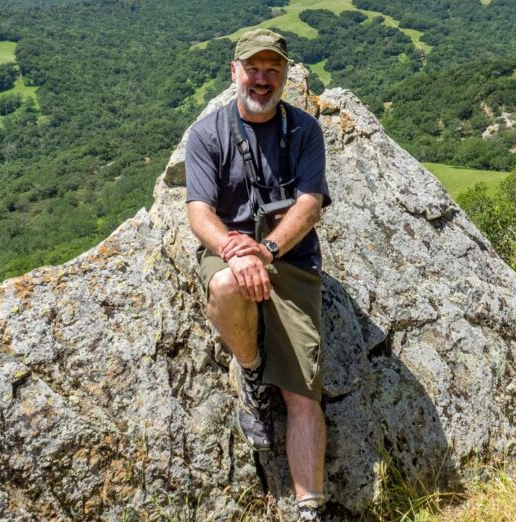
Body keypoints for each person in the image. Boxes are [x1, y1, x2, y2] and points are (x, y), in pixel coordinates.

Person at [184, 29, 331, 520]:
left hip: (287, 256)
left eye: (273, 70)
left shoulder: (304, 131)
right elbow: (200, 211)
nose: (262, 80)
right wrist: (233, 248)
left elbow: (310, 204)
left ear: (286, 75)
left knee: (303, 389)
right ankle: (250, 371)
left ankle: (309, 508)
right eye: (253, 69)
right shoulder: (208, 134)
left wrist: (266, 250)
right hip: (229, 251)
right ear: (234, 71)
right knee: (226, 285)